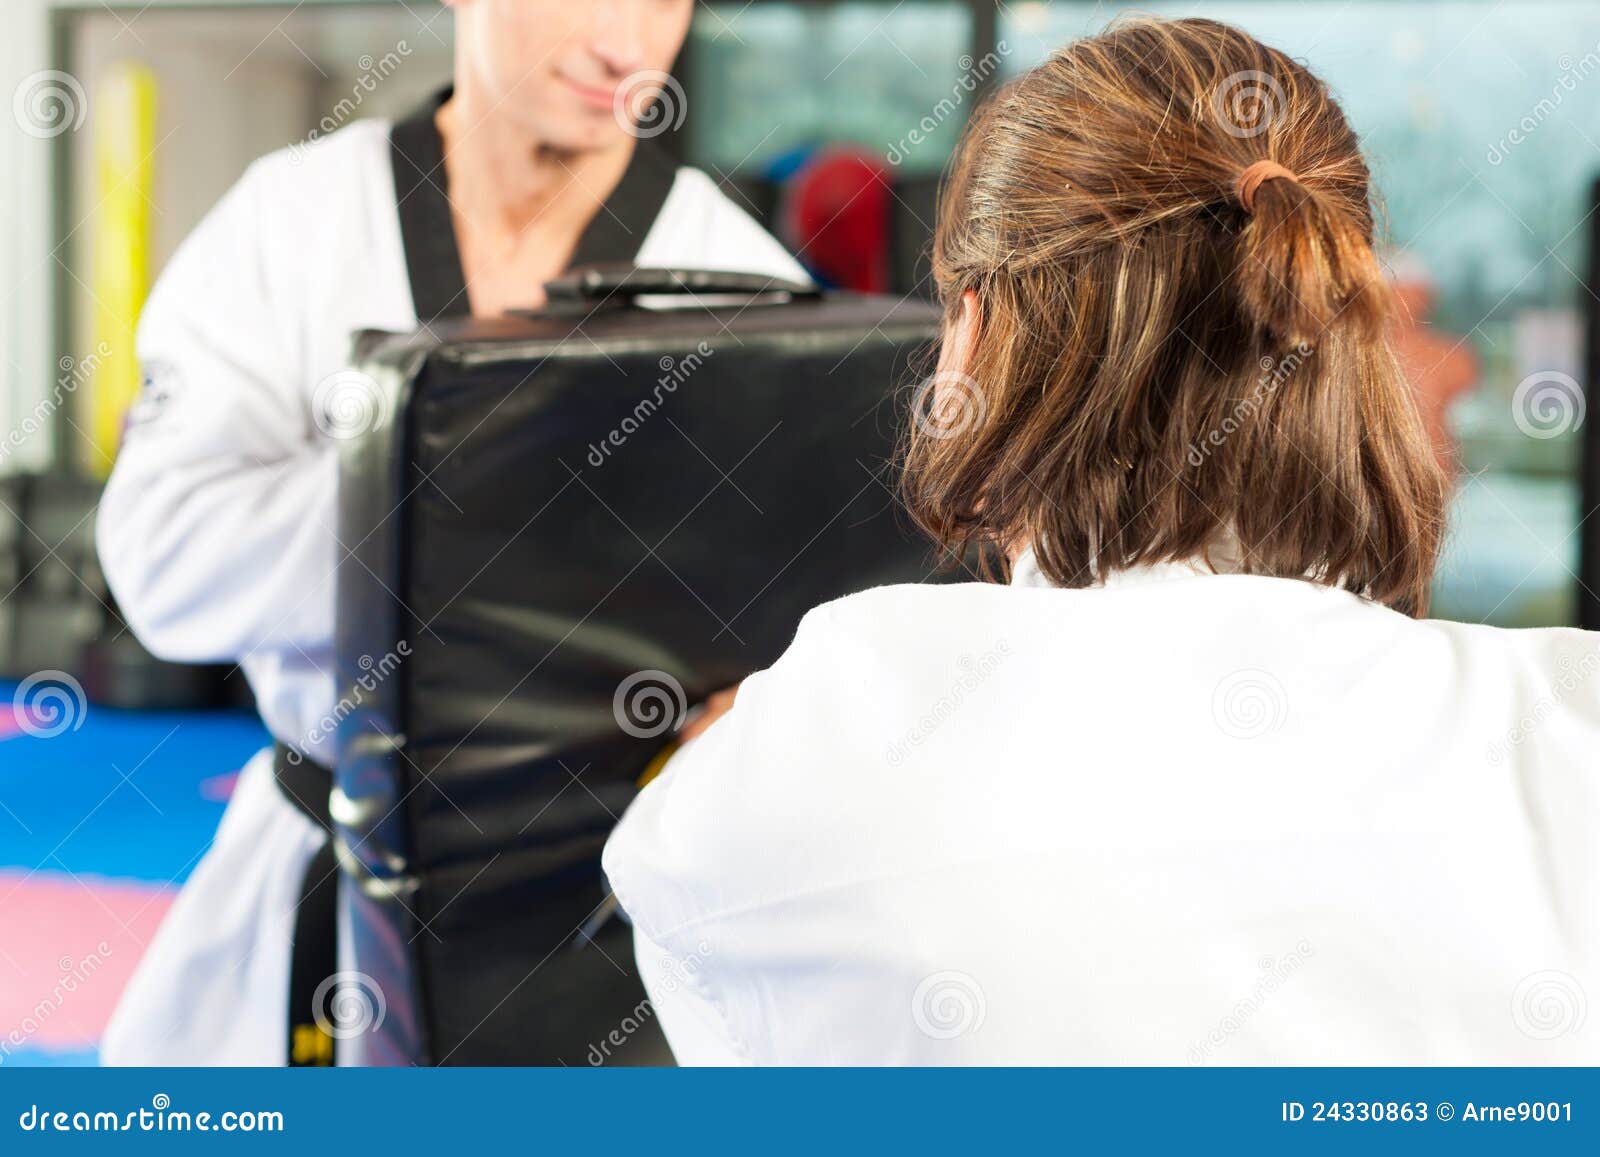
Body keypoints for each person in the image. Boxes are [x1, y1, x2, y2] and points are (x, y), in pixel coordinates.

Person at [602, 17, 1600, 1065]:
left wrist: (701, 752)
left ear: (977, 332)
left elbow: (670, 885)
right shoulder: (1562, 722)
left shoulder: (822, 726)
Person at [96, 0, 803, 1065]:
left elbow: (790, 626)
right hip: (333, 869)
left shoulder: (735, 274)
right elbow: (163, 559)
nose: (628, 47)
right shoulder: (291, 221)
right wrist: (481, 476)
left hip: (618, 901)